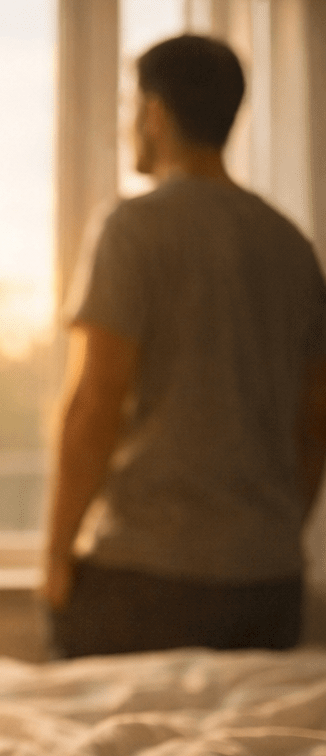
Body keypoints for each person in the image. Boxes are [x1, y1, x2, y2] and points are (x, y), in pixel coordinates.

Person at [42, 34, 326, 658]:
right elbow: (315, 424)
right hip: (270, 584)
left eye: (131, 107)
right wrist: (271, 537)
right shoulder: (292, 246)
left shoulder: (132, 228)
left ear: (155, 115)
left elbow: (96, 405)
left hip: (148, 579)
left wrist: (57, 557)